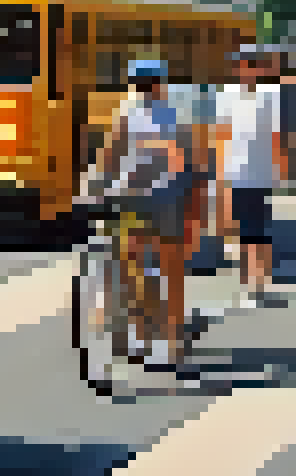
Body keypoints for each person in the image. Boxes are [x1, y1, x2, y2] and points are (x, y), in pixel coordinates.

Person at [97, 58, 199, 375]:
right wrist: (197, 204)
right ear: (161, 83)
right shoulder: (176, 115)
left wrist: (99, 190)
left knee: (136, 270)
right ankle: (172, 344)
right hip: (167, 199)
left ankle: (142, 339)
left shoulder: (125, 114)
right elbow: (191, 162)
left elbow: (108, 160)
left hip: (135, 199)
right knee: (170, 272)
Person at [217, 51, 286, 310]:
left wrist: (278, 169)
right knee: (242, 233)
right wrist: (219, 174)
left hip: (260, 174)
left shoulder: (271, 94)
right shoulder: (226, 95)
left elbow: (276, 135)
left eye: (252, 65)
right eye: (242, 65)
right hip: (234, 173)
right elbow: (221, 136)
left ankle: (260, 285)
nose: (246, 70)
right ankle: (249, 285)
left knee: (260, 233)